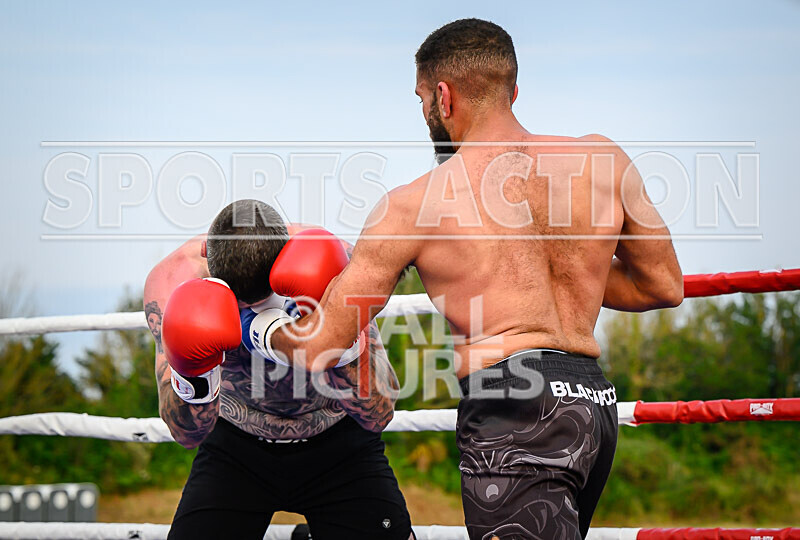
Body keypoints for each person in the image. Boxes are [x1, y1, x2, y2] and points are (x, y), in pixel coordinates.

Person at [263, 18, 684, 540]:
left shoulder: (412, 205)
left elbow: (322, 343)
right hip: (592, 402)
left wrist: (257, 324)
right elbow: (662, 285)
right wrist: (580, 263)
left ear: (443, 96)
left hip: (513, 407)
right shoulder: (604, 158)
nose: (424, 115)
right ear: (513, 89)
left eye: (421, 100)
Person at [143, 199, 413, 540]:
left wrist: (338, 344)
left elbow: (380, 413)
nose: (251, 312)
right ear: (206, 253)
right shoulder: (173, 282)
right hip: (235, 452)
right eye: (242, 303)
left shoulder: (335, 265)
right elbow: (186, 434)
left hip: (339, 447)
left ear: (287, 254)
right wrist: (193, 373)